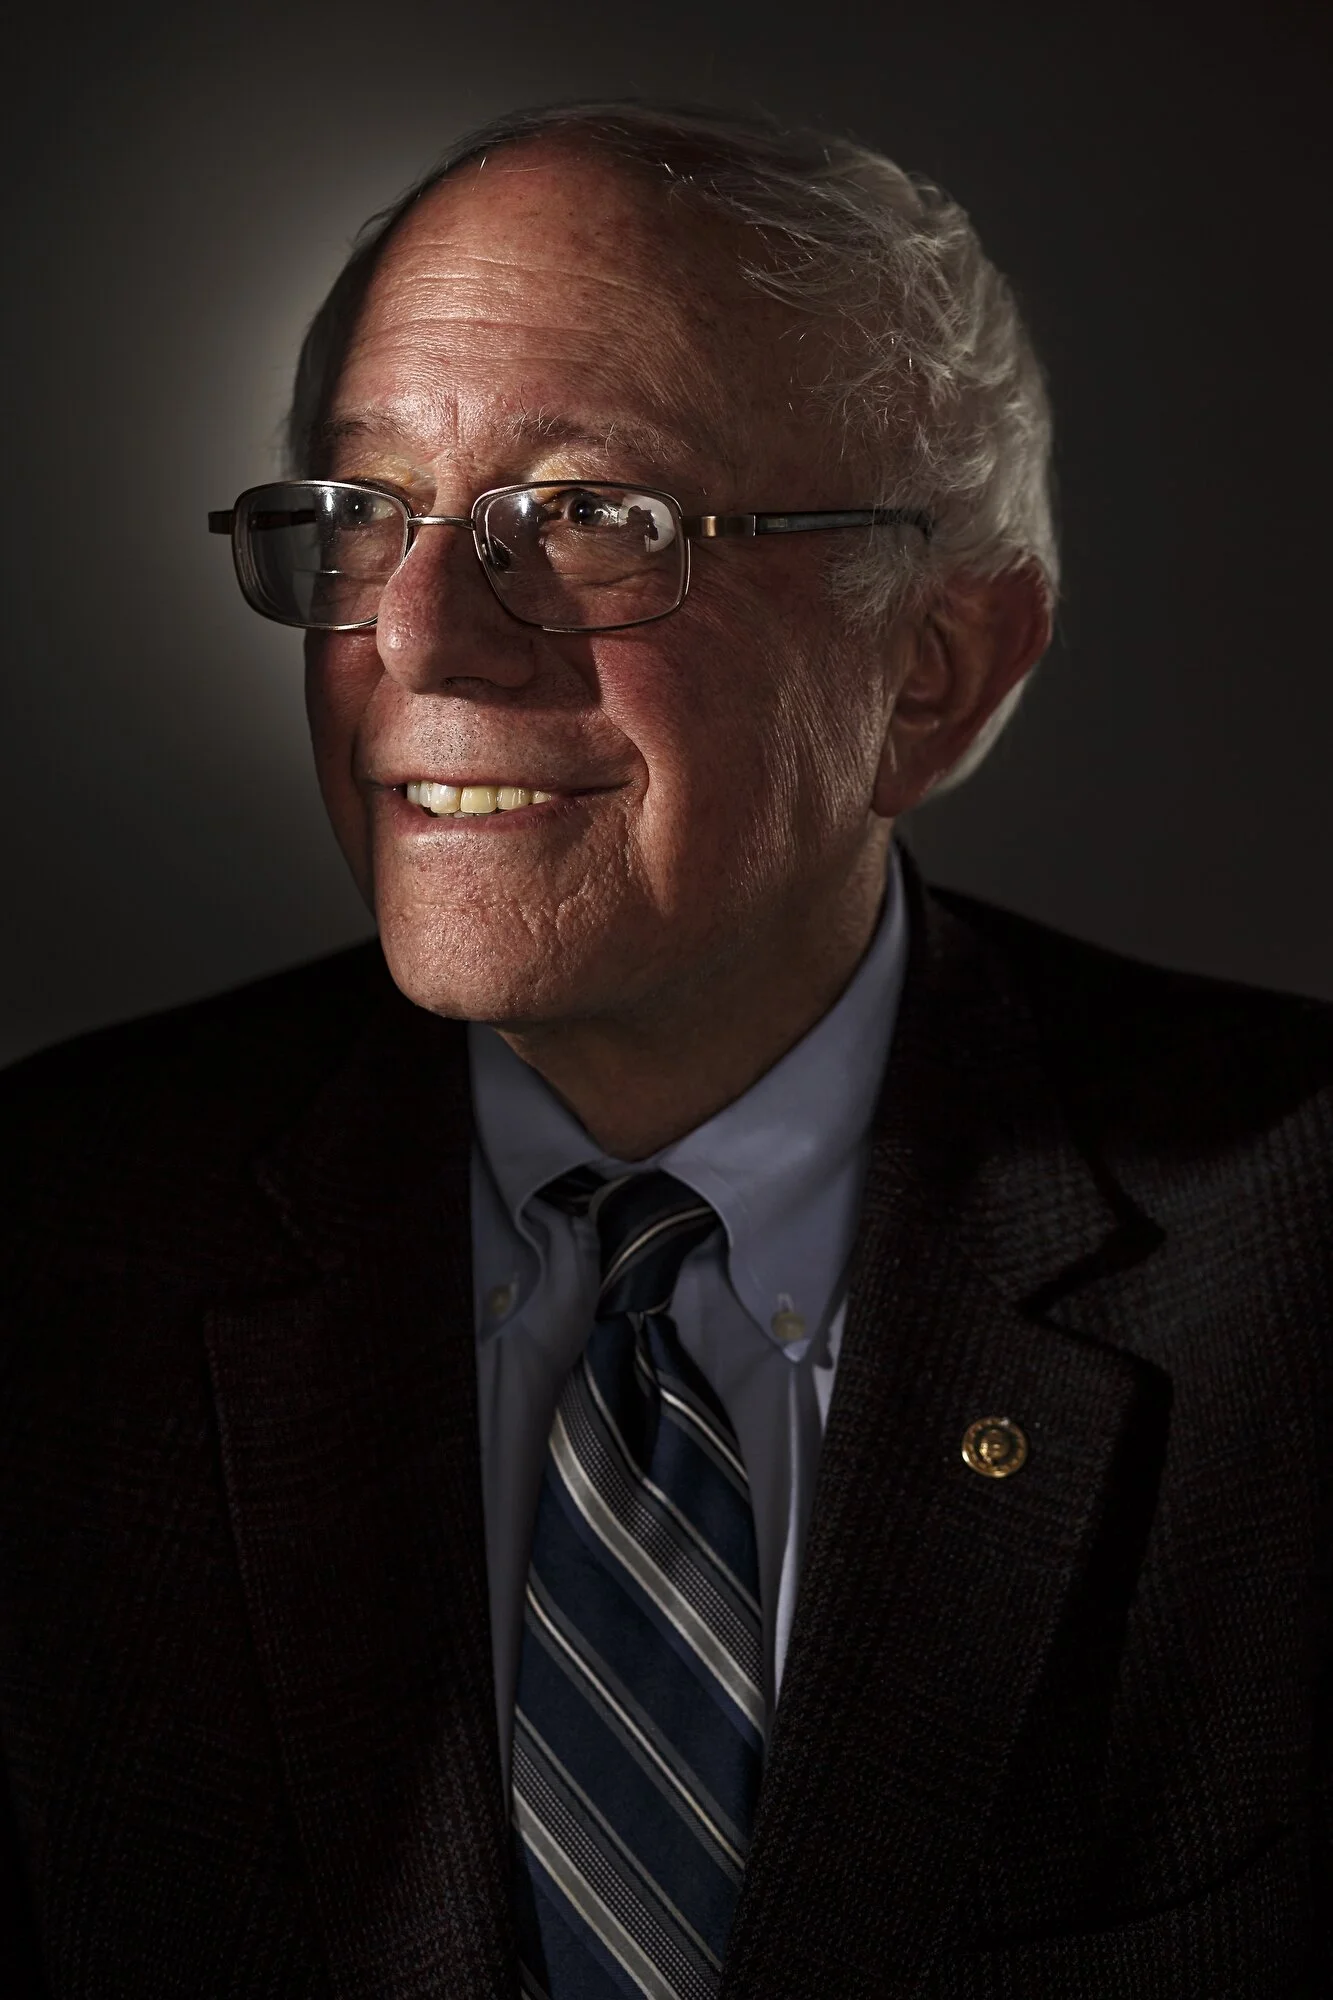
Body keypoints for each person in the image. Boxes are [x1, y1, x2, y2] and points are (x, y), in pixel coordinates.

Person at [1, 100, 1328, 1999]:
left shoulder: (1291, 1255)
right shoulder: (51, 1247)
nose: (428, 641)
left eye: (595, 517)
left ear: (933, 670)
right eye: (366, 515)